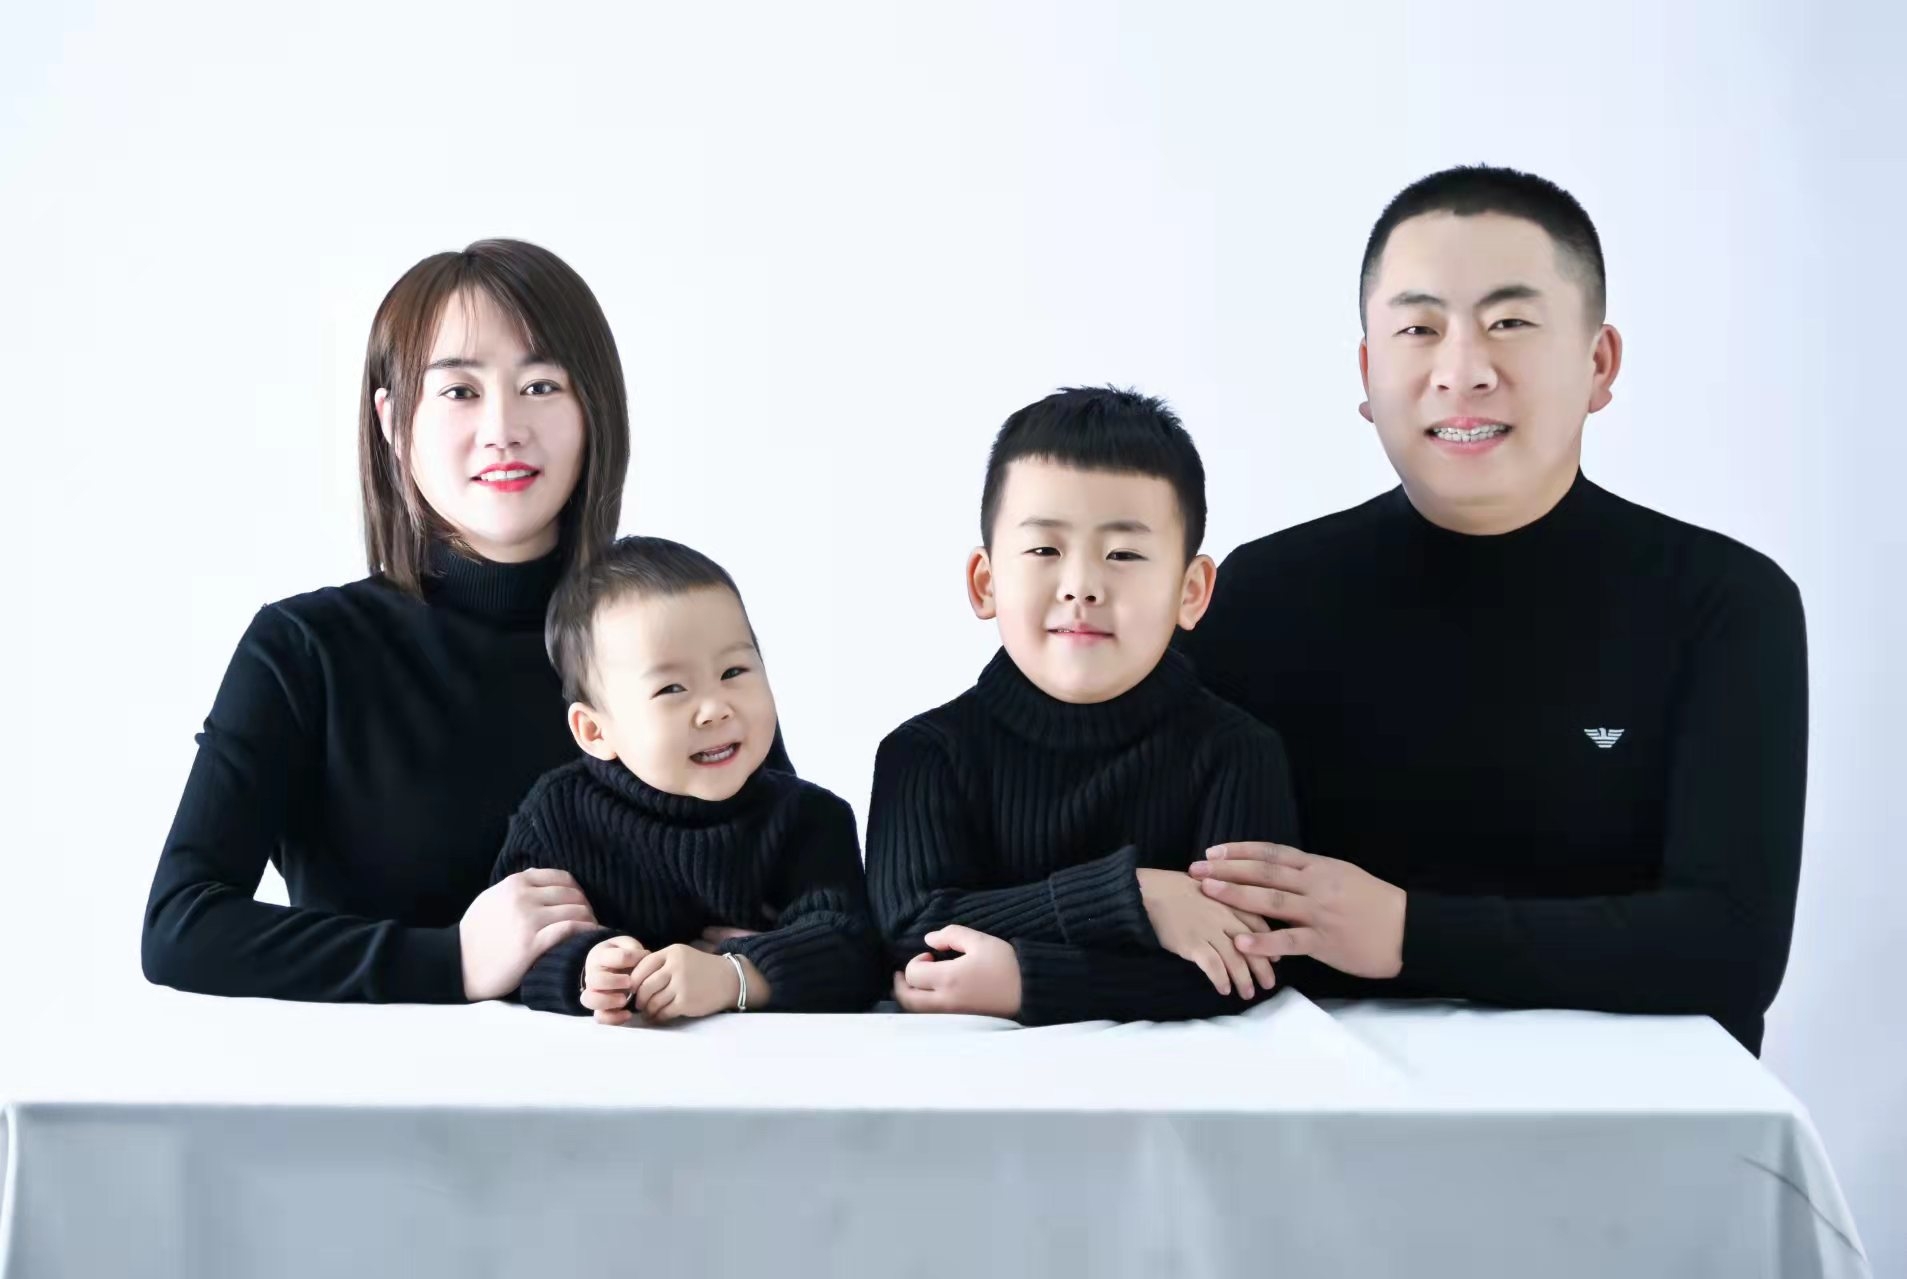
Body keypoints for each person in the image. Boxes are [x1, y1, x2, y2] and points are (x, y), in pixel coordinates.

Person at [1179, 166, 1807, 1054]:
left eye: (1509, 323)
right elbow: (1176, 885)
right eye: (1417, 329)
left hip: (1635, 1112)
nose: (1462, 372)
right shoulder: (1259, 594)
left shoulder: (1723, 603)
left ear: (1598, 363)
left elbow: (1728, 949)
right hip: (1320, 1109)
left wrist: (1406, 932)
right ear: (1367, 371)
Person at [142, 240, 788, 1004]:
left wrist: (753, 964)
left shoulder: (676, 628)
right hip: (388, 1082)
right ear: (392, 420)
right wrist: (449, 960)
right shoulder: (304, 649)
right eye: (458, 391)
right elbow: (182, 925)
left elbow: (793, 883)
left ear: (594, 408)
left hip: (671, 1078)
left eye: (541, 385)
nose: (503, 427)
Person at [865, 386, 1299, 1024]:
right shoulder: (924, 753)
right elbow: (911, 931)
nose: (1081, 587)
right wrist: (1133, 896)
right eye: (1045, 550)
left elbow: (1247, 966)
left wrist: (1028, 982)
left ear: (1191, 592)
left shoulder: (1237, 753)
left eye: (1123, 554)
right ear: (986, 582)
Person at [494, 536, 883, 1022]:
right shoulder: (557, 815)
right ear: (595, 731)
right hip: (613, 1060)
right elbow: (519, 948)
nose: (715, 708)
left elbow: (855, 950)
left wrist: (736, 976)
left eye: (734, 671)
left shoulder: (810, 819)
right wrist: (586, 969)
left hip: (769, 1062)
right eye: (672, 688)